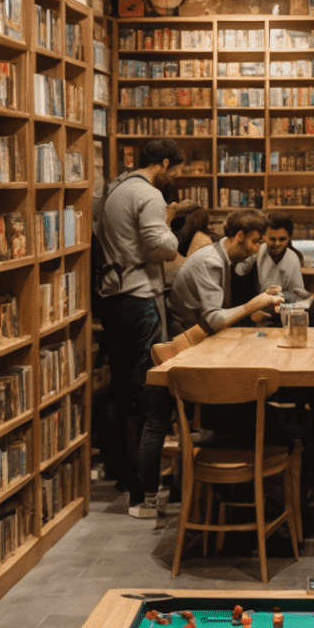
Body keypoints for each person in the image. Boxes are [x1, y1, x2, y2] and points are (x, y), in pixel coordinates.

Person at [94, 137, 181, 517]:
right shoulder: (149, 196)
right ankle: (146, 494)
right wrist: (169, 225)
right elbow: (162, 248)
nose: (174, 177)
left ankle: (122, 477)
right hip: (140, 297)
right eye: (175, 169)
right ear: (162, 163)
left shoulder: (112, 191)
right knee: (150, 394)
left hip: (111, 296)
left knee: (120, 391)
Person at [167, 207, 285, 336]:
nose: (257, 249)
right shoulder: (211, 261)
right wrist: (253, 305)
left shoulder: (222, 254)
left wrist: (249, 317)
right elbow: (214, 320)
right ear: (239, 236)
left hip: (200, 333)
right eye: (255, 241)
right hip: (187, 340)